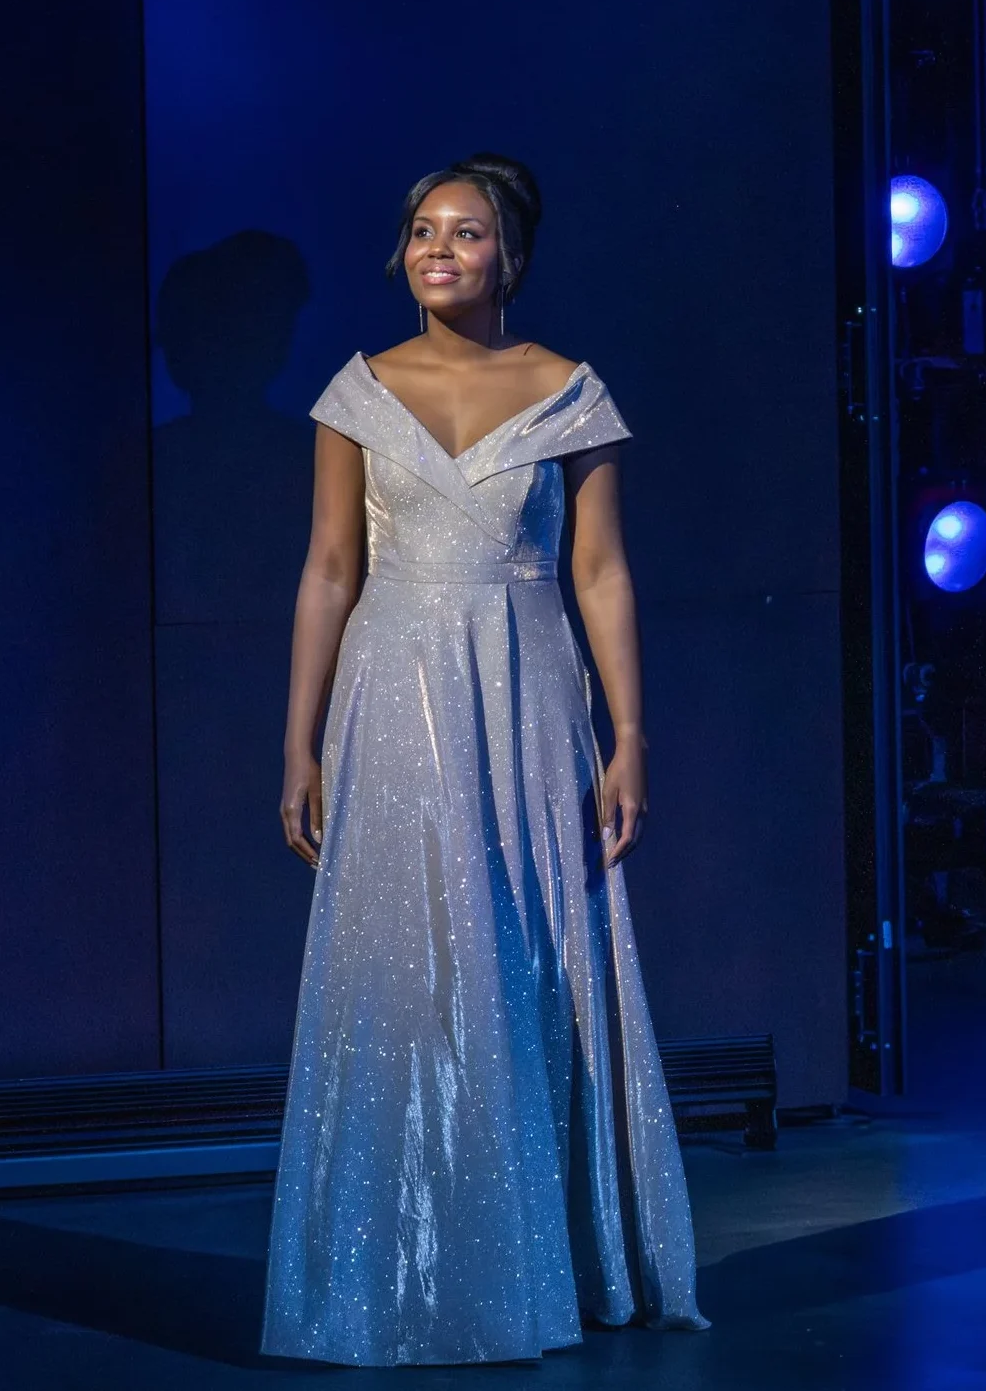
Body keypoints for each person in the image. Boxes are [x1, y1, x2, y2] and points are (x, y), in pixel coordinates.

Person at [260, 153, 711, 1366]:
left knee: (526, 959)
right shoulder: (357, 393)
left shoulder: (567, 392)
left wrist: (628, 738)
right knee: (403, 966)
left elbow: (601, 574)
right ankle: (398, 1271)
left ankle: (546, 1260)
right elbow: (328, 571)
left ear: (511, 255)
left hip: (523, 698)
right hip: (394, 693)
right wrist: (297, 740)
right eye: (420, 231)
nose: (438, 248)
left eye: (465, 232)